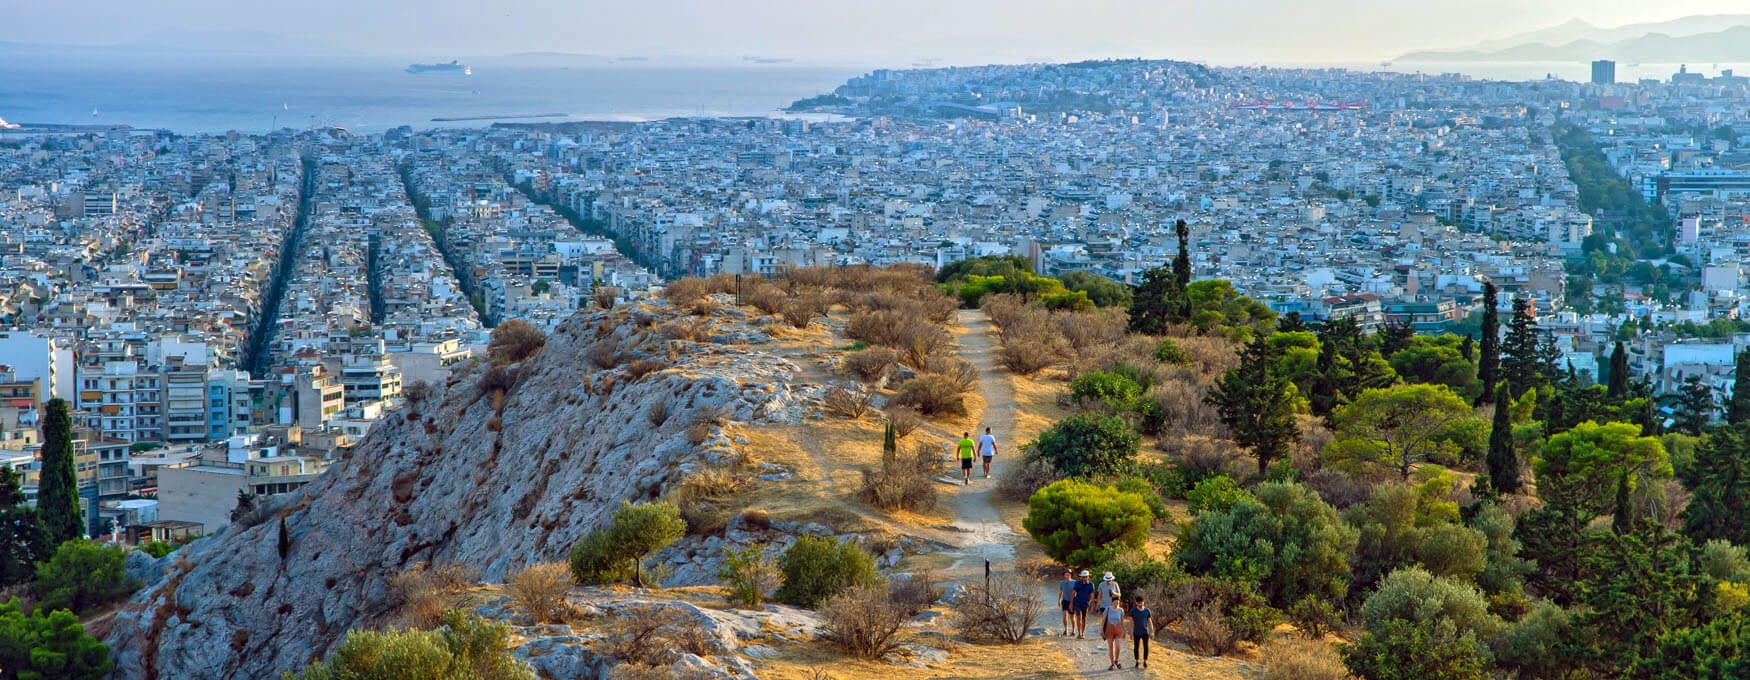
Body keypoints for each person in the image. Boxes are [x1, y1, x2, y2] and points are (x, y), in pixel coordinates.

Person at [1128, 594, 1153, 670]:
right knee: (1136, 647)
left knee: (1146, 647)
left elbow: (1149, 621)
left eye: (1141, 602)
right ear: (1136, 603)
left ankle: (1145, 661)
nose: (1140, 604)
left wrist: (1152, 631)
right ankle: (1137, 661)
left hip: (1145, 632)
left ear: (1143, 602)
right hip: (1136, 632)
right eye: (1139, 602)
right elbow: (1131, 623)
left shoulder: (1147, 610)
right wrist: (1131, 633)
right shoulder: (1133, 611)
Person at [1102, 596, 1126, 669]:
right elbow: (1103, 620)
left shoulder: (1121, 610)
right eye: (1115, 602)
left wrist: (1124, 630)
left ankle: (1116, 660)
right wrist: (1101, 629)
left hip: (1118, 628)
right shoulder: (1108, 609)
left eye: (1117, 602)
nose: (1116, 604)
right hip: (1109, 628)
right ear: (1112, 602)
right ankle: (1112, 663)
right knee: (1111, 646)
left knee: (1118, 646)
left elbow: (1122, 621)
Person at [1071, 570, 1095, 638]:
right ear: (1081, 577)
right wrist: (1071, 603)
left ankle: (1083, 632)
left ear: (1088, 577)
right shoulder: (1077, 583)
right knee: (1079, 617)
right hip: (1077, 602)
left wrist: (1091, 604)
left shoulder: (1091, 585)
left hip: (1085, 603)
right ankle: (1079, 633)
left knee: (1084, 618)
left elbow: (1092, 595)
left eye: (1086, 577)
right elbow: (1073, 593)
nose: (1084, 578)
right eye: (1083, 577)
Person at [1057, 569, 1077, 635]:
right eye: (1066, 575)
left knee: (1072, 616)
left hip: (1073, 601)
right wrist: (1059, 600)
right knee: (1065, 615)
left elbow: (1077, 592)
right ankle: (1066, 630)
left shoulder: (1075, 582)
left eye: (1068, 575)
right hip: (1065, 600)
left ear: (1071, 575)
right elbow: (1060, 592)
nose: (1067, 576)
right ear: (1064, 575)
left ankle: (1073, 630)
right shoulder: (1061, 582)